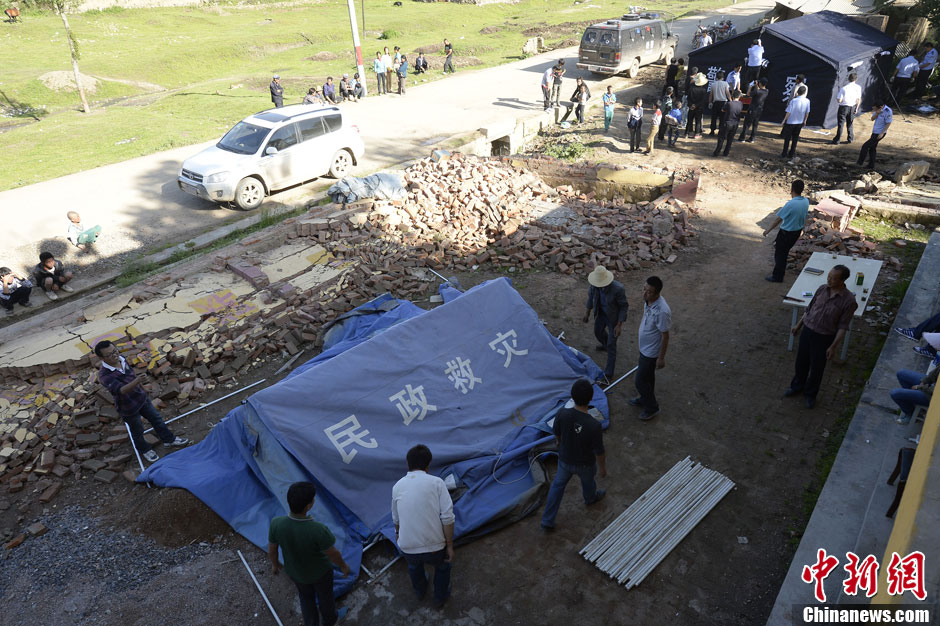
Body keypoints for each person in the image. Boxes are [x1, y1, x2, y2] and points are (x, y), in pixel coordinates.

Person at [268, 482, 351, 626]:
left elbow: (272, 548)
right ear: (308, 506)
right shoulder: (317, 529)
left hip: (296, 573)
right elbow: (333, 553)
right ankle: (331, 620)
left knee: (306, 599)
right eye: (312, 500)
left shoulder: (276, 524)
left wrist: (275, 565)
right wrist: (343, 566)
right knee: (325, 597)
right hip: (321, 574)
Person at [94, 340, 189, 462]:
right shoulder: (104, 375)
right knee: (137, 431)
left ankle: (169, 440)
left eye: (115, 351)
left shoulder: (121, 358)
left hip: (141, 398)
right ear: (101, 358)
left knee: (157, 419)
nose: (115, 355)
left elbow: (132, 375)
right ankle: (145, 450)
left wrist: (143, 389)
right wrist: (138, 381)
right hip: (128, 407)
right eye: (109, 354)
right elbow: (121, 390)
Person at [784, 266, 858, 408]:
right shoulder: (822, 289)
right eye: (829, 276)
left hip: (824, 337)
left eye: (833, 278)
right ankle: (797, 386)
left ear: (843, 280)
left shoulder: (849, 301)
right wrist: (798, 325)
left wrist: (833, 346)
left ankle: (810, 394)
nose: (829, 280)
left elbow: (843, 327)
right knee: (801, 362)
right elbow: (809, 309)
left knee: (817, 368)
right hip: (807, 331)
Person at [391, 444, 455, 609]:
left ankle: (420, 591)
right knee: (443, 566)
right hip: (434, 548)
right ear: (428, 465)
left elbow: (396, 519)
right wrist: (449, 546)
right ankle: (440, 597)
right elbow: (447, 518)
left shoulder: (397, 487)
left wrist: (398, 535)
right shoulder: (437, 483)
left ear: (408, 464)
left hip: (407, 547)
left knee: (413, 566)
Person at [540, 378, 607, 531]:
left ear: (572, 396)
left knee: (557, 487)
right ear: (590, 398)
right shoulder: (594, 425)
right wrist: (602, 468)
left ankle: (547, 521)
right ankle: (590, 499)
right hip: (585, 464)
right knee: (588, 482)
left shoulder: (562, 413)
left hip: (564, 460)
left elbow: (556, 433)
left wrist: (559, 442)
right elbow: (599, 451)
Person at [631, 276, 670, 420]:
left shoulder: (662, 311)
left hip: (651, 352)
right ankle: (644, 398)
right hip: (644, 348)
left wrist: (661, 358)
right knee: (648, 378)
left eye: (649, 292)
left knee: (640, 380)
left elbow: (665, 335)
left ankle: (652, 408)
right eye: (644, 289)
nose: (645, 294)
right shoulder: (648, 301)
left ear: (657, 293)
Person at [582, 265, 628, 383]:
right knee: (597, 332)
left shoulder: (618, 289)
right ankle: (605, 345)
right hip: (601, 313)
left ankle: (608, 374)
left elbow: (624, 306)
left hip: (613, 318)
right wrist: (587, 313)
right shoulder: (594, 286)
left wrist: (619, 325)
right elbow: (590, 298)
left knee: (612, 345)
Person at [762, 179, 809, 282]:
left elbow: (778, 219)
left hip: (786, 234)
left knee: (780, 254)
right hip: (796, 232)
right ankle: (780, 271)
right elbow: (804, 216)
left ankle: (777, 276)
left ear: (791, 189)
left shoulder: (791, 204)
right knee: (784, 252)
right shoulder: (806, 201)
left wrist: (767, 230)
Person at [856, 101, 892, 170]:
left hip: (880, 133)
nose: (873, 108)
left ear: (880, 107)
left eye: (874, 107)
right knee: (872, 149)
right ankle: (871, 165)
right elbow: (872, 119)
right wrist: (877, 114)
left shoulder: (888, 111)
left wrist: (882, 133)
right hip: (875, 132)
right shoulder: (877, 110)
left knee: (865, 146)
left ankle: (859, 163)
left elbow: (888, 123)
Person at [780, 85, 810, 158]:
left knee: (787, 138)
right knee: (795, 138)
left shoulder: (794, 100)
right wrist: (805, 120)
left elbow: (788, 112)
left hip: (791, 122)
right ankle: (791, 154)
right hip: (799, 122)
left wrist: (784, 120)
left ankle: (784, 153)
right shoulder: (807, 101)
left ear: (798, 92)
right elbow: (807, 112)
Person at [832, 72, 861, 145]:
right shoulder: (858, 87)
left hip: (843, 107)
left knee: (841, 124)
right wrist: (857, 108)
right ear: (856, 79)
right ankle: (850, 138)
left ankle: (837, 140)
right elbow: (858, 99)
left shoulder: (844, 88)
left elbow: (839, 100)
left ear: (848, 79)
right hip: (852, 107)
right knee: (850, 123)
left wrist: (838, 98)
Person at [712, 89, 743, 157]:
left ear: (732, 96)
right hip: (735, 123)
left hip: (727, 122)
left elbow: (723, 110)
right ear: (739, 96)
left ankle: (717, 152)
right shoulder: (740, 104)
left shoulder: (729, 103)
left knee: (721, 138)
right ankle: (726, 152)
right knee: (730, 139)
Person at [738, 77, 768, 143]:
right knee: (755, 125)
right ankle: (752, 138)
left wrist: (750, 86)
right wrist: (756, 85)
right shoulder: (766, 91)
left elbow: (748, 94)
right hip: (759, 110)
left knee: (747, 124)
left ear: (760, 83)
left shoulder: (757, 91)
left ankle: (742, 138)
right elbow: (758, 91)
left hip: (752, 110)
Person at [685, 72, 708, 139]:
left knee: (690, 120)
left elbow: (688, 98)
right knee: (698, 120)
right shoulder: (703, 90)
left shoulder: (691, 89)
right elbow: (702, 100)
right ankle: (697, 133)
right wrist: (696, 105)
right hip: (699, 107)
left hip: (691, 106)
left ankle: (687, 132)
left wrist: (691, 105)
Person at [708, 70, 730, 135]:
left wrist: (710, 102)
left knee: (714, 117)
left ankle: (712, 131)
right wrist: (731, 100)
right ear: (723, 77)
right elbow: (727, 93)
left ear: (716, 77)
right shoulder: (725, 83)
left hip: (715, 102)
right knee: (722, 118)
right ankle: (721, 131)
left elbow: (711, 95)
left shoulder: (713, 84)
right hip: (723, 103)